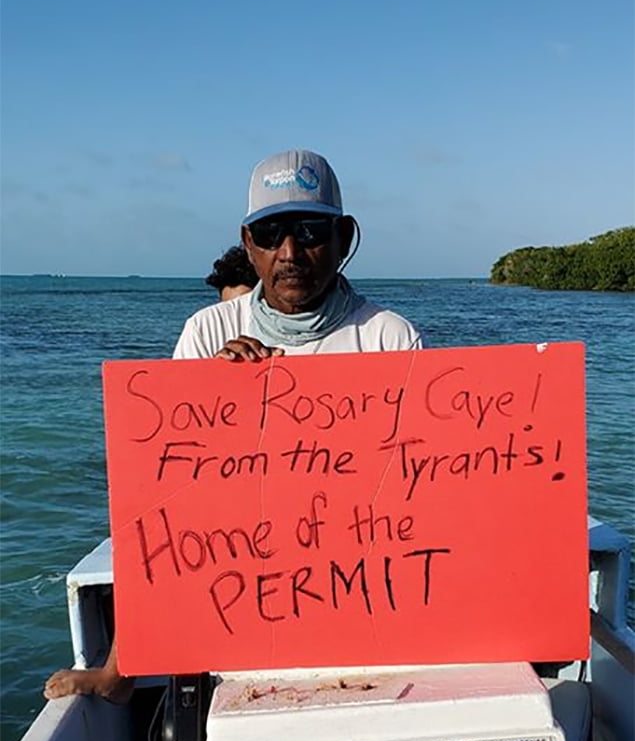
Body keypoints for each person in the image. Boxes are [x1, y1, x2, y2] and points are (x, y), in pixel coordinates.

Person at [44, 149, 423, 701]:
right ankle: (121, 670)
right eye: (271, 234)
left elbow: (420, 483)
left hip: (350, 553)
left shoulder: (389, 336)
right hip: (238, 549)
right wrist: (214, 394)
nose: (290, 252)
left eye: (310, 231)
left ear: (344, 238)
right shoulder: (206, 332)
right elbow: (164, 487)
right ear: (249, 245)